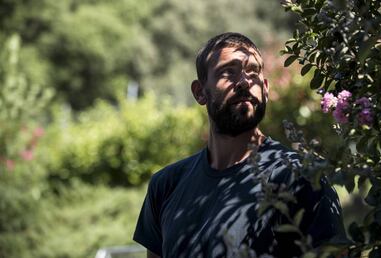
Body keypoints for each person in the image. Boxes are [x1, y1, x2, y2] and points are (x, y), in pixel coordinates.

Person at [133, 32, 347, 258]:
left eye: (253, 72)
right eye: (229, 72)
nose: (245, 82)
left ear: (265, 88)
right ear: (199, 92)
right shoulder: (166, 185)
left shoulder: (302, 177)